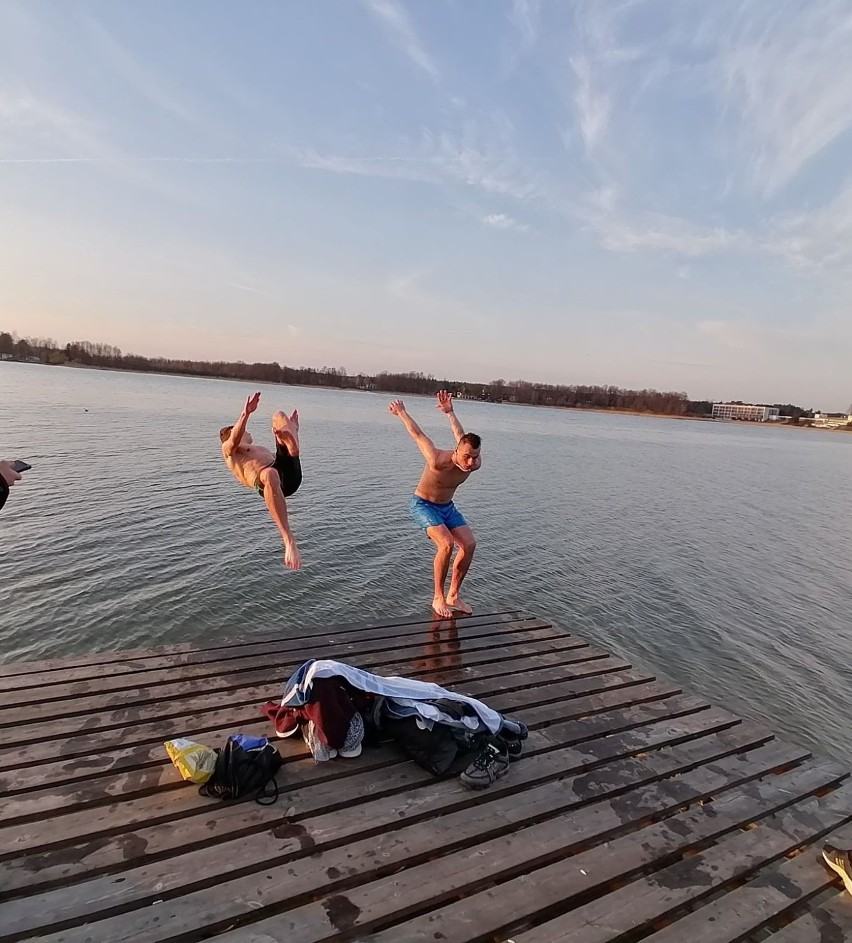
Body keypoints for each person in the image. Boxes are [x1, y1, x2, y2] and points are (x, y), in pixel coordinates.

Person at [389, 390, 481, 617]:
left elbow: (459, 433)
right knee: (446, 544)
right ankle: (438, 598)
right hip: (423, 505)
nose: (470, 463)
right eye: (467, 456)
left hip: (447, 507)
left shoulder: (476, 462)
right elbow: (417, 434)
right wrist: (402, 412)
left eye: (475, 457)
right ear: (457, 450)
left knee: (469, 545)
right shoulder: (437, 460)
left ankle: (454, 595)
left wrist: (450, 413)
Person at [220, 392, 303, 570]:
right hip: (268, 480)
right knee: (270, 474)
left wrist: (287, 431)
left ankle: (291, 438)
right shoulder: (230, 451)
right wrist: (246, 414)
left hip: (289, 476)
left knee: (278, 417)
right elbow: (234, 438)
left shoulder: (259, 449)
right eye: (242, 430)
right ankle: (288, 539)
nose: (247, 432)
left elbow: (280, 460)